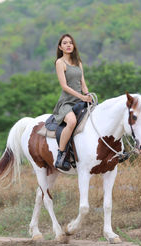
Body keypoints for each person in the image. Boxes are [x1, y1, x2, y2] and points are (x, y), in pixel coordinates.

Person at [53, 34, 92, 171]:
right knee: (72, 122)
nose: (68, 45)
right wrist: (81, 97)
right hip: (66, 103)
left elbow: (83, 84)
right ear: (60, 47)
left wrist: (87, 95)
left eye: (70, 42)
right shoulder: (60, 63)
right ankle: (61, 154)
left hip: (80, 100)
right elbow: (64, 86)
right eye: (65, 43)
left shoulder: (78, 62)